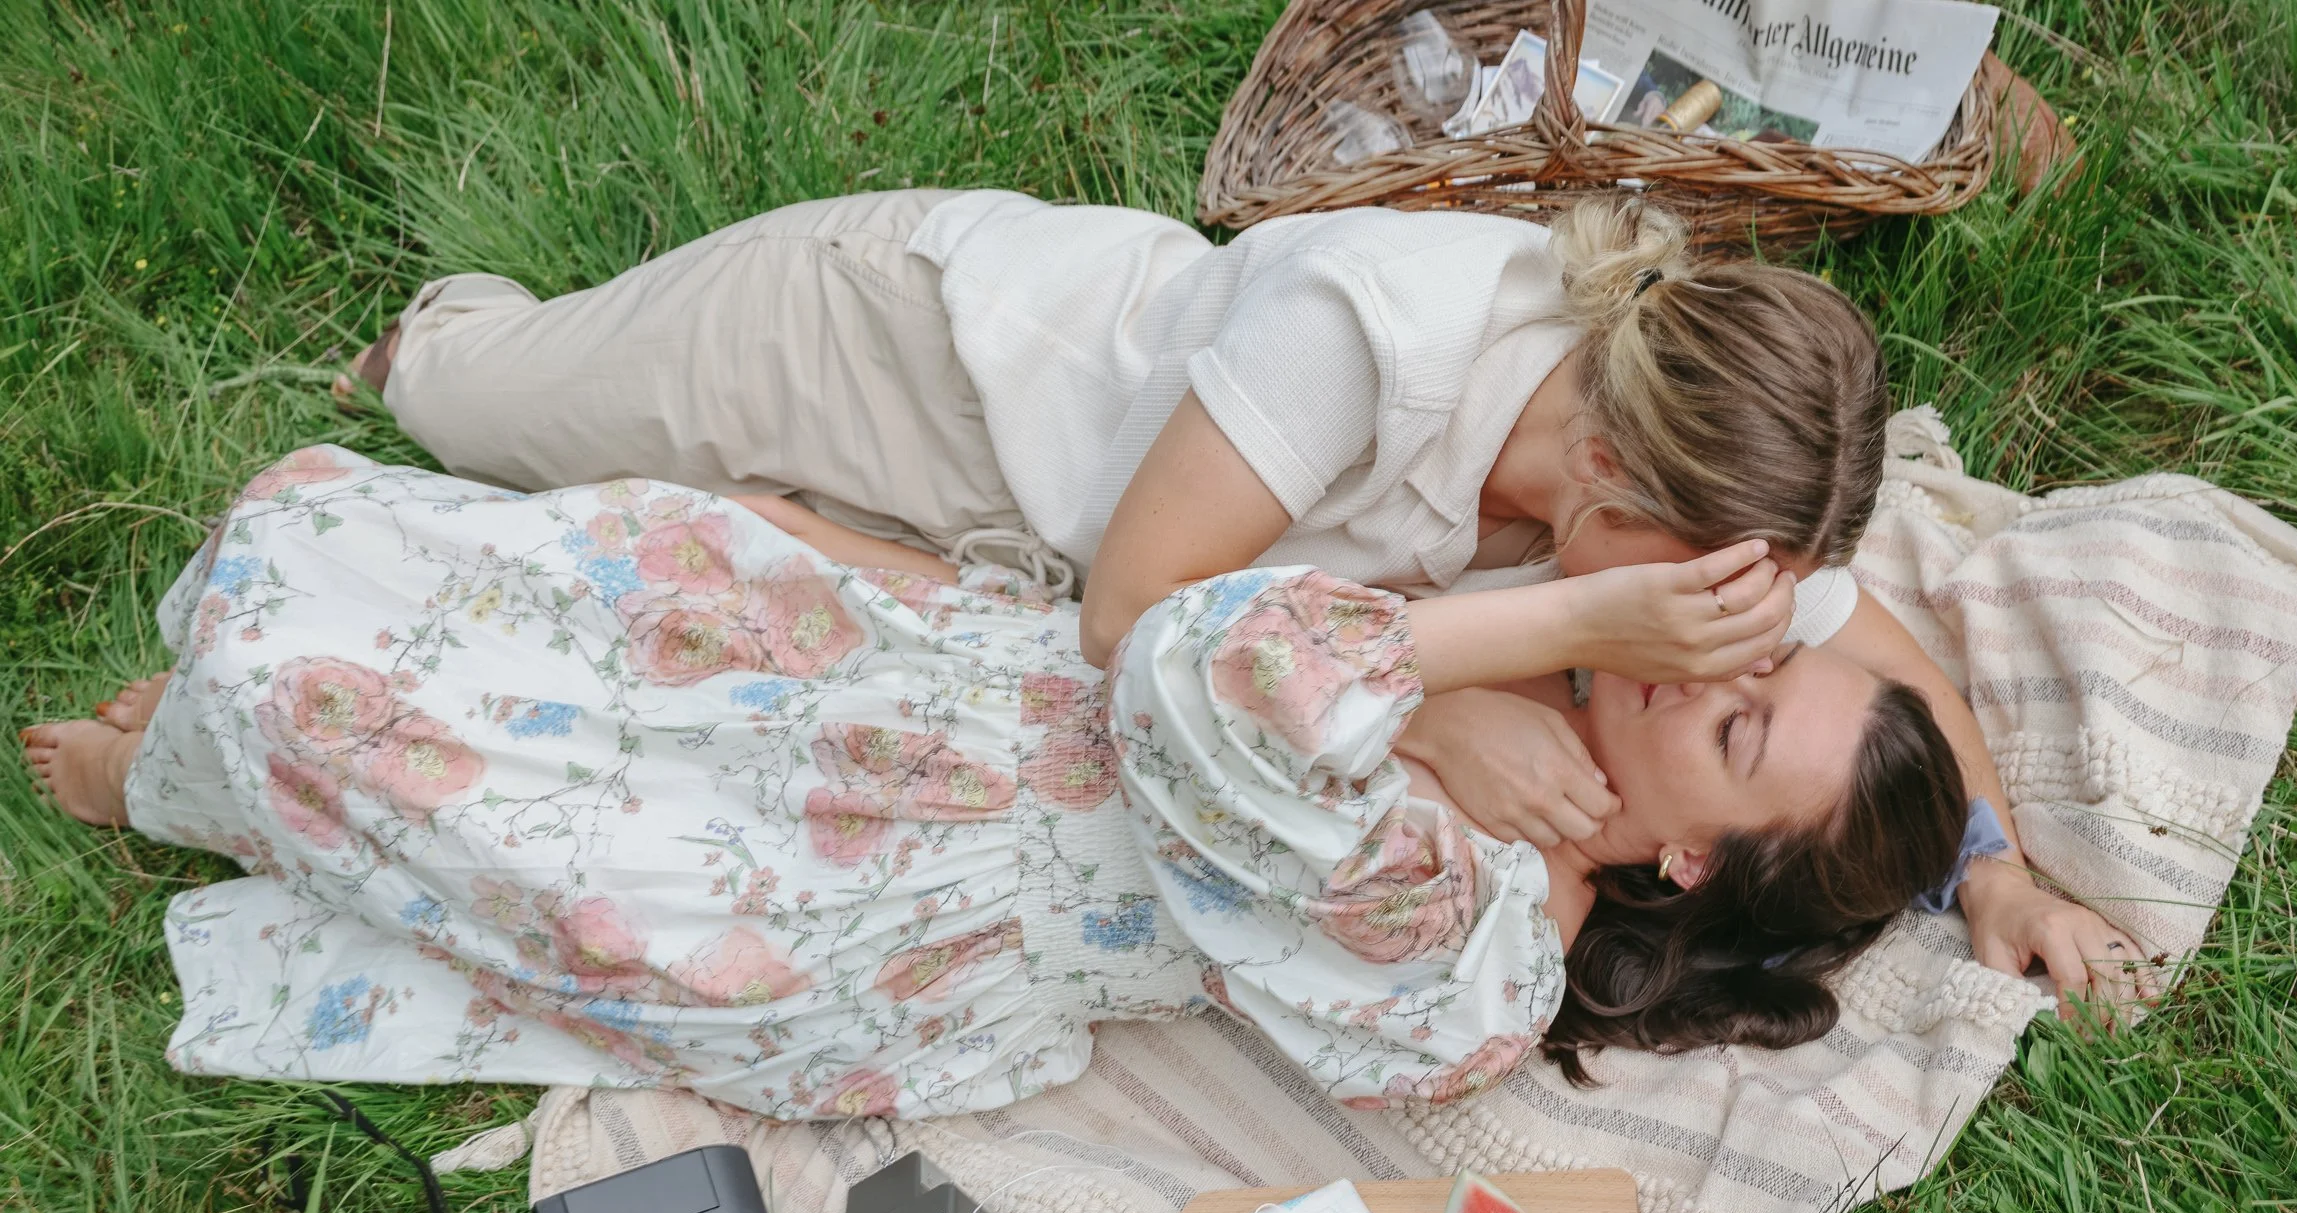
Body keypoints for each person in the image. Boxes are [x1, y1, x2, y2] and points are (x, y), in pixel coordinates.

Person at [338, 190, 2142, 1012]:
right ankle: (458, 333)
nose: (1711, 651)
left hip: (1012, 572)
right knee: (465, 414)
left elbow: (1873, 660)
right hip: (908, 366)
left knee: (657, 552)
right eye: (1699, 610)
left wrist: (1986, 862)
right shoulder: (1371, 335)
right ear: (1607, 490)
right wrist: (1441, 695)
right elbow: (1138, 614)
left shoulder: (1668, 549)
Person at [22, 448, 1968, 1118]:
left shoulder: (1472, 966)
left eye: (1733, 708)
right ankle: (251, 678)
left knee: (506, 809)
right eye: (1745, 654)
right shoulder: (1531, 658)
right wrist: (1482, 672)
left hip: (891, 896)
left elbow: (1212, 678)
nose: (1694, 647)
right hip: (951, 679)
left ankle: (177, 768)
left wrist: (1450, 666)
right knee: (621, 565)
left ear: (1691, 853)